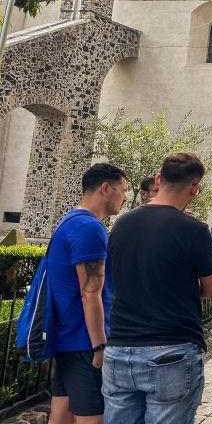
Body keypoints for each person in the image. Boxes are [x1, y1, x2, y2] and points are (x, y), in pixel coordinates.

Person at [102, 152, 212, 424]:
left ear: (158, 179)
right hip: (171, 348)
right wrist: (180, 289)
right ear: (195, 188)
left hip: (121, 347)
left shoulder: (122, 224)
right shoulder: (193, 230)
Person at [48, 163, 128, 424]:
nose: (125, 197)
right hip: (85, 342)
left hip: (68, 337)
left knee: (62, 413)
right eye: (123, 190)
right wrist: (100, 345)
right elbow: (90, 292)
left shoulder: (69, 221)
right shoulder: (89, 228)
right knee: (92, 418)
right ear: (106, 188)